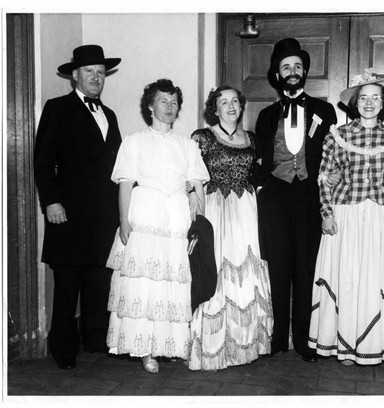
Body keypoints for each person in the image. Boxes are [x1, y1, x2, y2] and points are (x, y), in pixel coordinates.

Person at [105, 79, 210, 374]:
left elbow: (196, 186)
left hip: (176, 216)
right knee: (145, 284)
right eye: (163, 101)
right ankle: (145, 350)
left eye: (174, 102)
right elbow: (125, 184)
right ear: (150, 106)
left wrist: (199, 219)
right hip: (145, 215)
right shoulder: (134, 141)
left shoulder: (187, 145)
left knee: (172, 284)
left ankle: (172, 346)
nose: (169, 107)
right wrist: (124, 221)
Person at [308, 69, 384, 366]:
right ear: (354, 102)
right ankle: (345, 346)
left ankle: (379, 345)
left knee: (377, 278)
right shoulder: (338, 135)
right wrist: (326, 214)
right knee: (348, 277)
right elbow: (324, 178)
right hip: (346, 213)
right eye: (363, 97)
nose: (369, 102)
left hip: (381, 215)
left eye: (376, 97)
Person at [34, 45, 122, 370]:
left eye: (101, 72)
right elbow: (43, 162)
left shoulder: (109, 114)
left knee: (99, 280)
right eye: (89, 72)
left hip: (103, 216)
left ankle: (95, 339)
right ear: (75, 75)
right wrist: (51, 201)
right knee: (67, 284)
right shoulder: (57, 108)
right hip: (68, 213)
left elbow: (117, 165)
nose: (97, 77)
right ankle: (63, 350)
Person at [254, 38, 337, 363]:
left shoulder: (323, 110)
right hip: (274, 200)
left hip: (308, 198)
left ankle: (303, 340)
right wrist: (262, 187)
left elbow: (333, 154)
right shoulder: (265, 114)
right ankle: (277, 339)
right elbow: (258, 155)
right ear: (277, 74)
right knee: (277, 269)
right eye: (286, 67)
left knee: (305, 270)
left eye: (297, 67)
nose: (292, 72)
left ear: (304, 73)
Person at [188, 85, 273, 370]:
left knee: (245, 270)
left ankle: (245, 344)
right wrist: (195, 215)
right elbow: (193, 180)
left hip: (245, 209)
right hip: (214, 207)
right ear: (215, 108)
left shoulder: (252, 139)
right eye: (224, 102)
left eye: (235, 100)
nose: (231, 106)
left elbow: (259, 175)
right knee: (218, 269)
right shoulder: (202, 138)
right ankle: (214, 347)